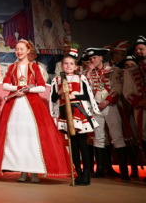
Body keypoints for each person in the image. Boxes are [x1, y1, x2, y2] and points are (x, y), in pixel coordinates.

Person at [0, 39, 70, 182]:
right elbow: (5, 85)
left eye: (22, 49)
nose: (19, 51)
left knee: (33, 138)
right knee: (19, 139)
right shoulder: (12, 67)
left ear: (28, 51)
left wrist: (27, 90)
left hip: (32, 106)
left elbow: (42, 87)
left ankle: (35, 171)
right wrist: (18, 88)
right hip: (15, 106)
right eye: (17, 49)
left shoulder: (34, 67)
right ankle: (23, 171)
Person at [50, 49, 100, 186]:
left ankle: (86, 174)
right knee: (73, 145)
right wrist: (60, 92)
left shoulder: (80, 78)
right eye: (66, 63)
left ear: (76, 66)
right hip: (65, 113)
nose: (68, 66)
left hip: (78, 112)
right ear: (62, 66)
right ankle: (77, 173)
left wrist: (75, 96)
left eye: (71, 64)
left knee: (82, 144)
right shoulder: (57, 80)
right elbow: (53, 98)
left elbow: (87, 95)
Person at [84, 47, 130, 180]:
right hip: (95, 108)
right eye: (90, 58)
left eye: (94, 58)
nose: (92, 60)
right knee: (98, 137)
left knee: (116, 136)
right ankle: (100, 169)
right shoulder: (87, 73)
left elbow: (117, 88)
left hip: (110, 106)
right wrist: (89, 71)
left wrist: (107, 101)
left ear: (101, 58)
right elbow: (85, 88)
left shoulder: (113, 70)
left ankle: (124, 171)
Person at [123, 35, 146, 181]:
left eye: (141, 49)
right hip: (141, 110)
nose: (138, 52)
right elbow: (127, 92)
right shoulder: (130, 72)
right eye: (136, 50)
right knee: (144, 138)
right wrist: (139, 101)